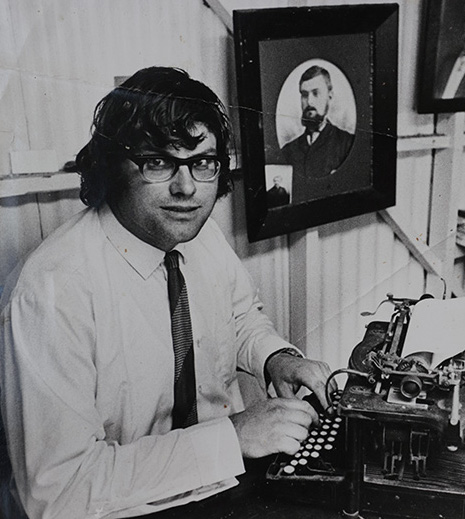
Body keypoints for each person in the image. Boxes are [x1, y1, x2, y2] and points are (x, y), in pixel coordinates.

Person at [0, 67, 334, 519]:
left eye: (202, 162)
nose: (187, 188)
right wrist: (232, 437)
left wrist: (276, 358)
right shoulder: (50, 293)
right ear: (111, 166)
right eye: (158, 162)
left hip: (223, 489)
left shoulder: (201, 236)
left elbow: (240, 317)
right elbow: (60, 492)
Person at [281, 65, 354, 203]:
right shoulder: (288, 150)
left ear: (330, 97)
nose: (309, 101)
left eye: (316, 93)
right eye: (304, 95)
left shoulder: (347, 143)